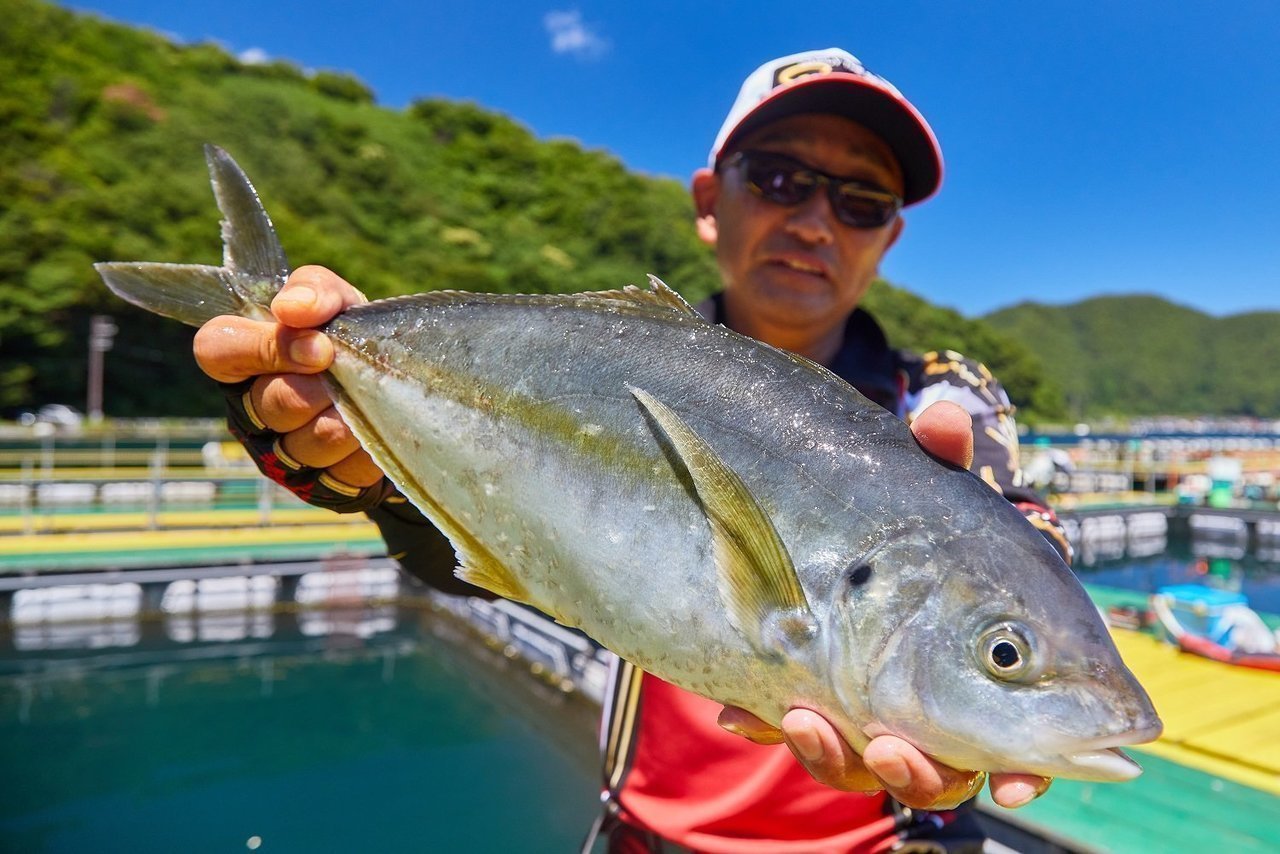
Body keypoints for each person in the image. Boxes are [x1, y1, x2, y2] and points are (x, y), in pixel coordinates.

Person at [193, 48, 1069, 853]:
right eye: (778, 178)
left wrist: (1020, 592)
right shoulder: (600, 367)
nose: (814, 222)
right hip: (644, 837)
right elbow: (491, 553)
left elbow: (1008, 515)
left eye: (861, 201)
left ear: (888, 237)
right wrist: (356, 465)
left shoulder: (940, 402)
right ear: (706, 203)